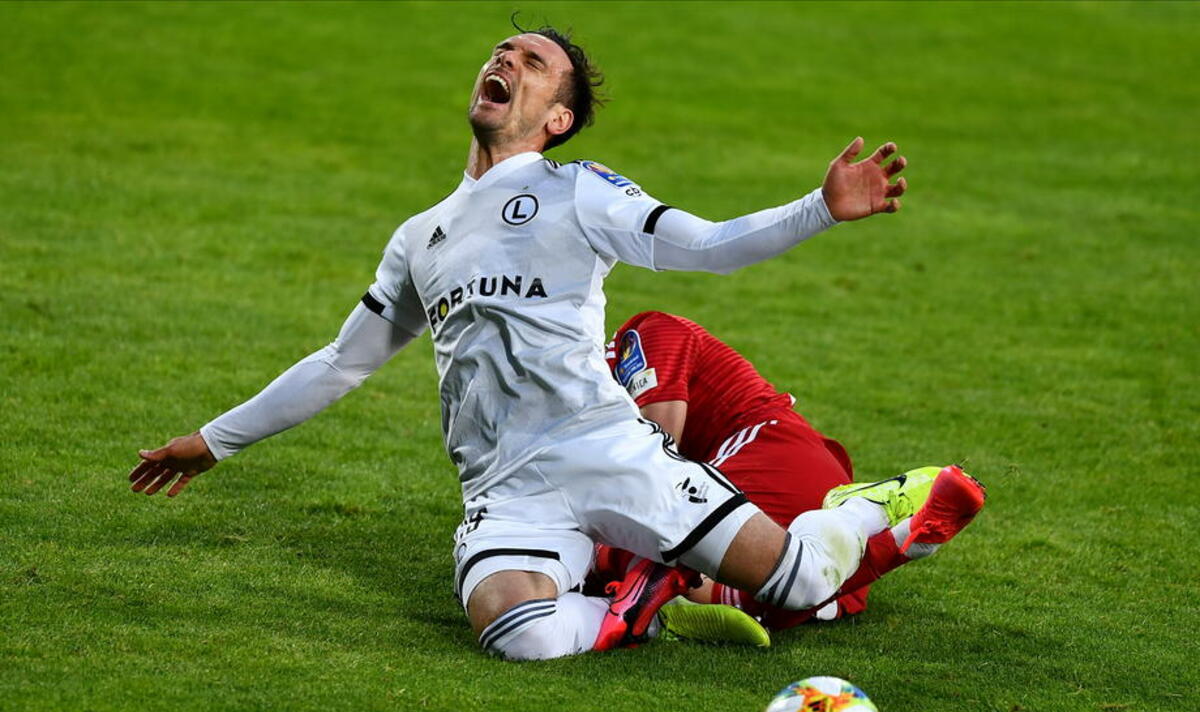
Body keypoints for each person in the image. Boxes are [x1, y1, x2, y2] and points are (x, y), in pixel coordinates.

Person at [128, 25, 933, 662]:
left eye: (533, 62)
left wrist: (819, 207)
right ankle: (646, 606)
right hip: (505, 486)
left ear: (557, 120)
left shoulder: (578, 190)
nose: (505, 60)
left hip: (606, 449)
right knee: (517, 632)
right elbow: (344, 362)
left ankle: (860, 511)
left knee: (802, 580)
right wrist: (215, 440)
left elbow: (709, 246)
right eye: (501, 52)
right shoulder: (420, 237)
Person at [597, 311, 985, 638]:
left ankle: (868, 513)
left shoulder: (644, 332)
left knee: (623, 539)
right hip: (789, 481)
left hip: (767, 451)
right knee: (788, 592)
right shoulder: (581, 399)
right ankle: (893, 531)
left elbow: (657, 458)